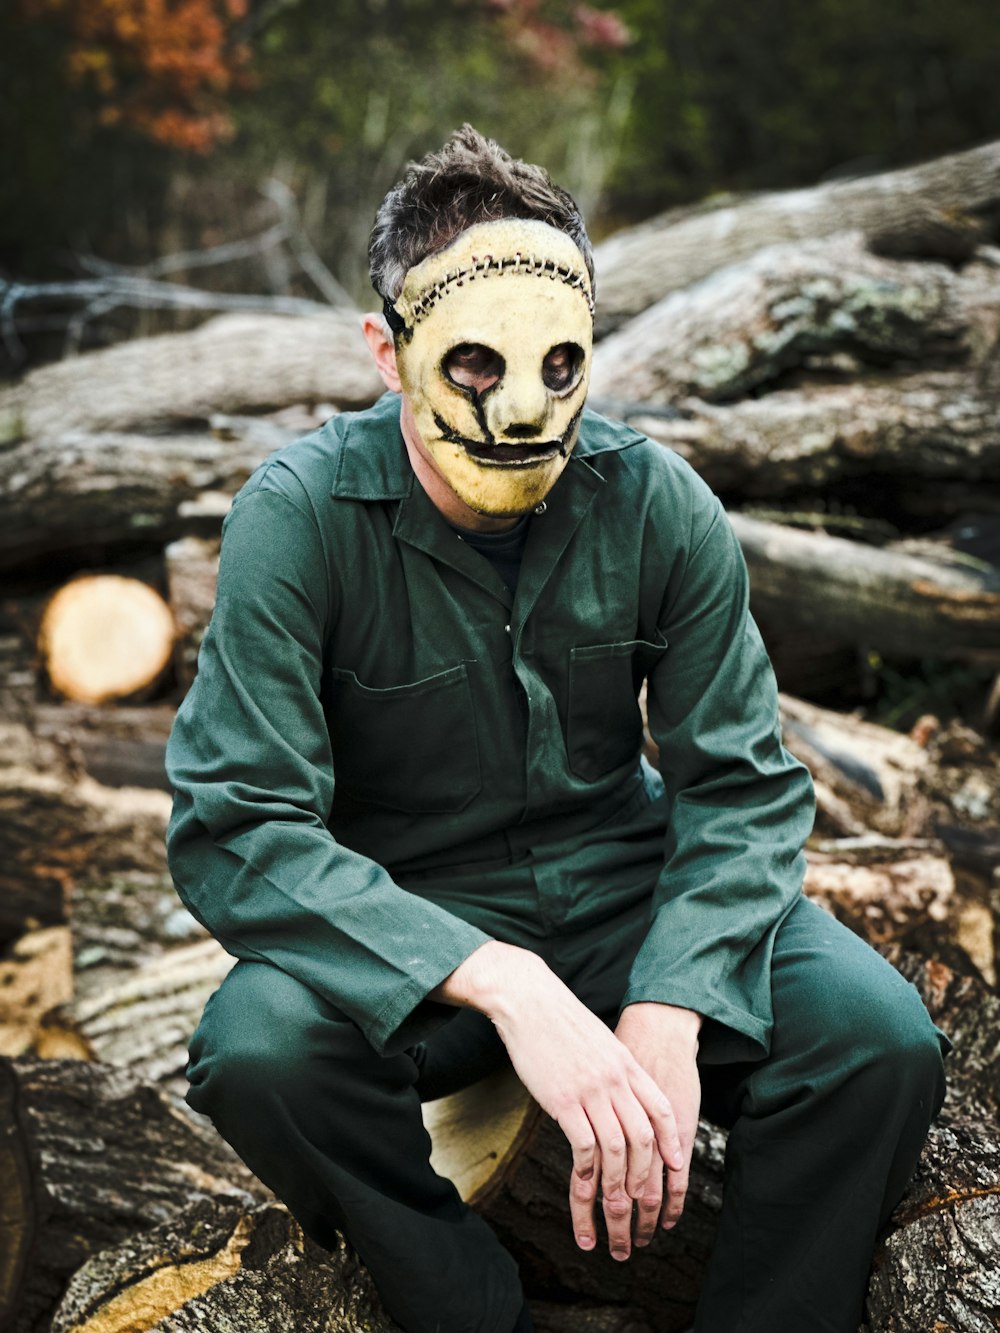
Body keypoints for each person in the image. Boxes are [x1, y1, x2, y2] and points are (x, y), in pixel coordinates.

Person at [165, 125, 947, 1333]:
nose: (519, 407)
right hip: (404, 925)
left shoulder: (659, 500)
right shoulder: (298, 516)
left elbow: (740, 786)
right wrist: (507, 986)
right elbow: (235, 826)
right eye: (472, 365)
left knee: (876, 1040)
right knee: (258, 1046)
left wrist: (674, 1002)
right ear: (389, 350)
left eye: (559, 365)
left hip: (625, 898)